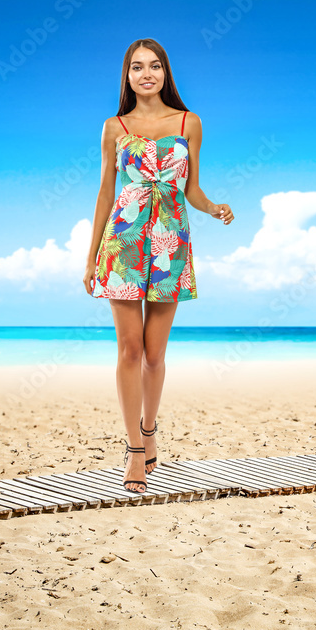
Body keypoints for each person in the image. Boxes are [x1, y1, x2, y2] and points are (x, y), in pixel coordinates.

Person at [83, 38, 234, 493]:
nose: (145, 74)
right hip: (123, 245)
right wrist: (91, 257)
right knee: (128, 351)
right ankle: (133, 451)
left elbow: (192, 190)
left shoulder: (189, 123)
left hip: (170, 243)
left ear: (165, 72)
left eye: (154, 66)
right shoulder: (114, 126)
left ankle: (150, 431)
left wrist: (213, 208)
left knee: (154, 354)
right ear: (126, 76)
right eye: (136, 67)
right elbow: (106, 193)